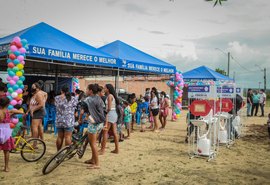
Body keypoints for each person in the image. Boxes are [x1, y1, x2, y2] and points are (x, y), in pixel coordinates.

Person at [79, 84, 105, 169]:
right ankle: (93, 160)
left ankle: (97, 164)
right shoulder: (99, 99)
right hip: (100, 123)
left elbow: (82, 112)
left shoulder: (88, 99)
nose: (86, 91)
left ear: (90, 91)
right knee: (93, 143)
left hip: (93, 124)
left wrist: (80, 119)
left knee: (93, 144)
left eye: (87, 89)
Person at [0, 97, 24, 172]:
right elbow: (21, 112)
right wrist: (13, 112)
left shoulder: (1, 112)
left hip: (0, 130)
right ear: (7, 104)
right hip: (7, 132)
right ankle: (6, 167)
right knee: (6, 151)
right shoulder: (8, 111)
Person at [55, 85, 78, 151]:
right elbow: (75, 106)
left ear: (61, 91)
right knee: (68, 137)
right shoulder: (73, 98)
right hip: (68, 120)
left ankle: (58, 151)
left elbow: (56, 106)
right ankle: (67, 152)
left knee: (59, 137)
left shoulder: (57, 98)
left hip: (59, 120)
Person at [99, 84, 119, 155]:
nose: (104, 89)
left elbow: (109, 108)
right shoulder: (112, 96)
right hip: (114, 114)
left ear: (108, 89)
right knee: (114, 132)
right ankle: (117, 149)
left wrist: (106, 114)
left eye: (105, 88)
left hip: (110, 114)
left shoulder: (109, 96)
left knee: (105, 132)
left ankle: (102, 150)